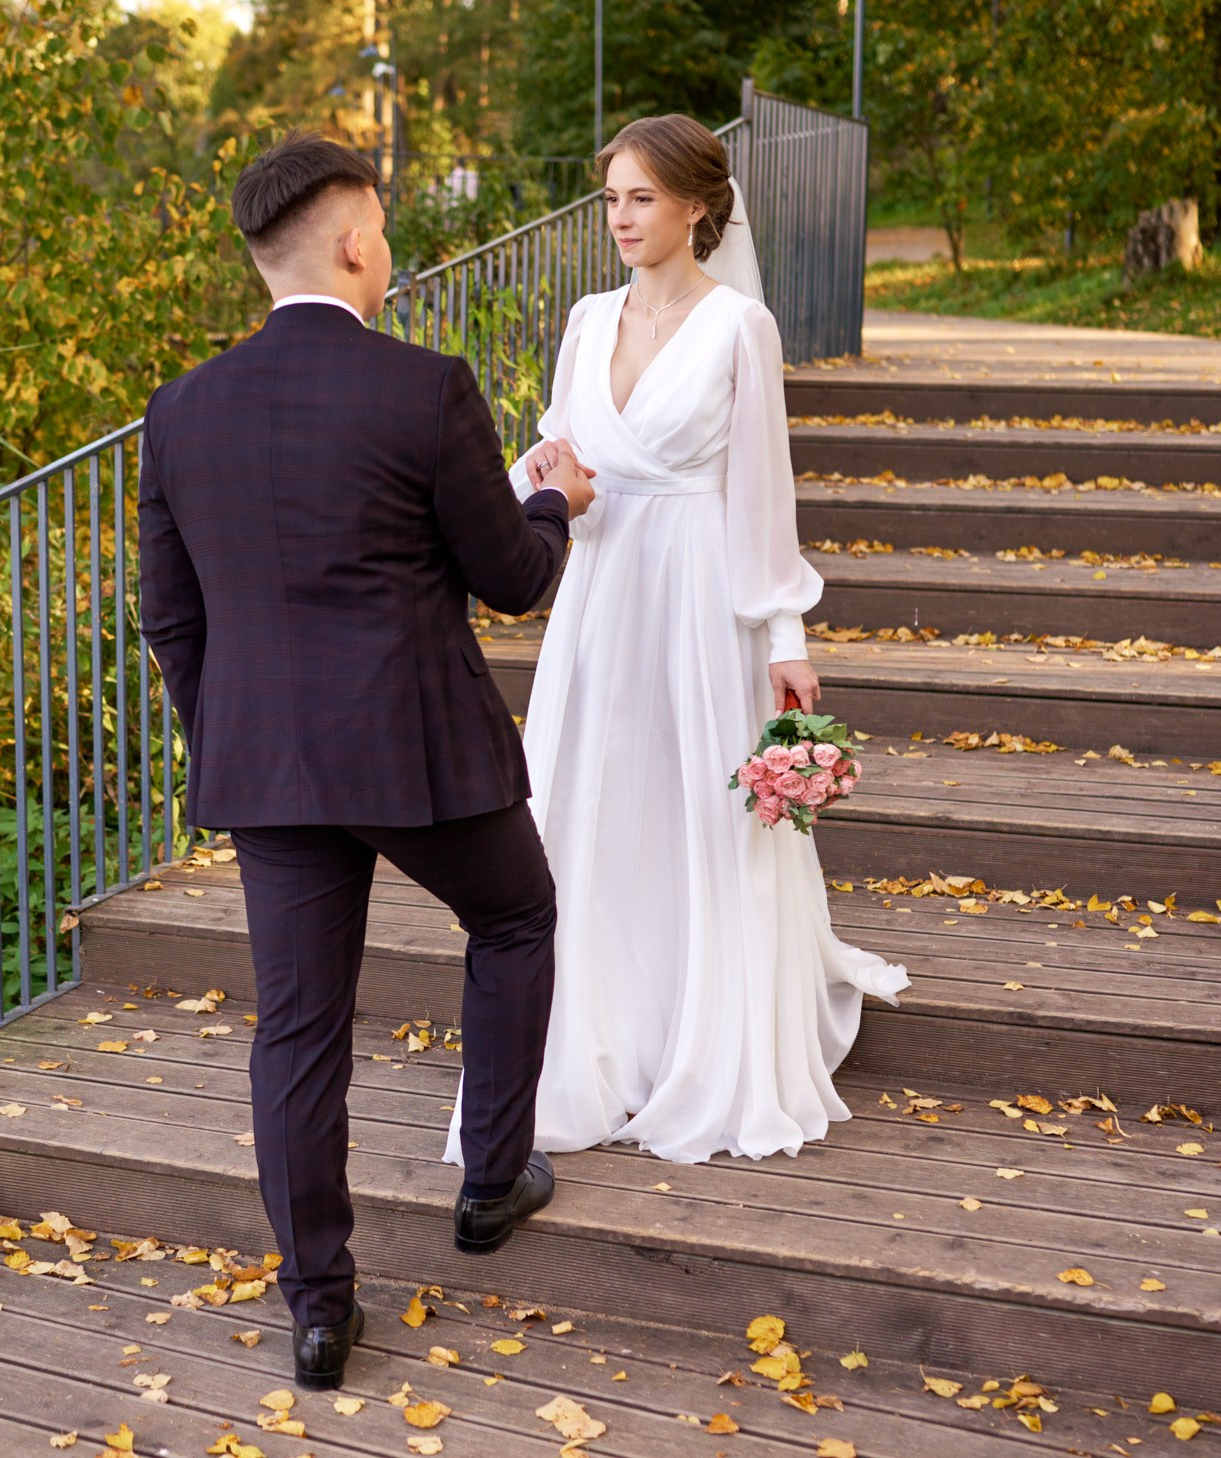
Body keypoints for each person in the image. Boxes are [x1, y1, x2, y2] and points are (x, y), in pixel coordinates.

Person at [137, 133, 596, 1391]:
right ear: (352, 243)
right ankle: (491, 1183)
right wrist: (553, 502)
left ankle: (318, 1311)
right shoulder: (424, 388)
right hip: (417, 751)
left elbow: (171, 618)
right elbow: (511, 577)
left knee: (298, 1028)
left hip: (266, 765)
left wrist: (235, 736)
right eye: (382, 229)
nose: (385, 250)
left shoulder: (181, 410)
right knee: (517, 917)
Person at [446, 114, 909, 1169]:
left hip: (700, 595)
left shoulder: (741, 326)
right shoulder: (585, 320)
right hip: (602, 594)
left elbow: (762, 492)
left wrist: (784, 633)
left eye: (642, 197)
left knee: (695, 806)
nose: (620, 217)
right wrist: (500, 497)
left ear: (697, 206)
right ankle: (593, 1042)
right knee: (591, 808)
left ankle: (705, 1041)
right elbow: (560, 458)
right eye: (611, 197)